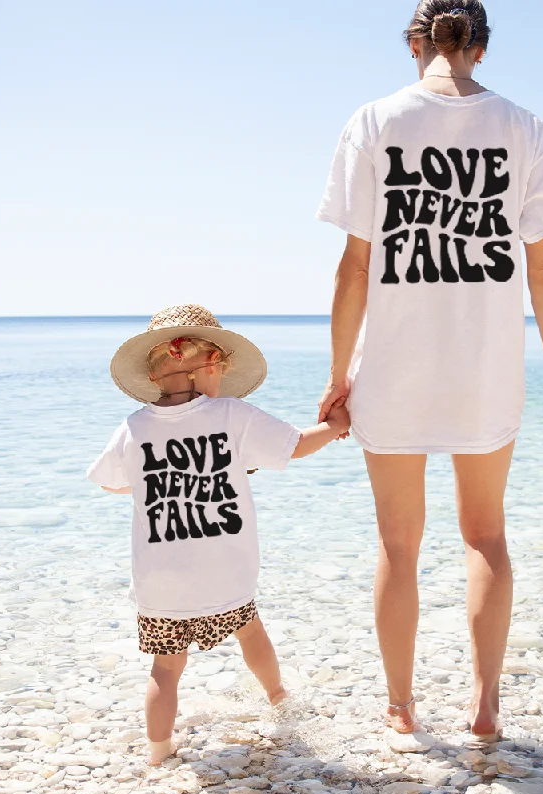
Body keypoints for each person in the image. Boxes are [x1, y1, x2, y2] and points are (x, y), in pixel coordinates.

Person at [316, 0, 543, 743]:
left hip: (393, 369)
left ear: (414, 43)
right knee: (485, 536)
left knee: (399, 545)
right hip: (484, 369)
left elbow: (354, 268)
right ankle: (486, 706)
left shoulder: (371, 122)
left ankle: (400, 707)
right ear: (480, 51)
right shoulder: (523, 128)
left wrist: (340, 374)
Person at [87, 304, 350, 765]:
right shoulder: (231, 414)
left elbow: (109, 480)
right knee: (251, 633)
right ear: (210, 365)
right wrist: (335, 426)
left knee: (165, 669)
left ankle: (158, 754)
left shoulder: (134, 427)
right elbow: (295, 445)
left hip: (160, 587)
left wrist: (156, 479)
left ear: (155, 376)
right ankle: (278, 698)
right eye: (222, 371)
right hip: (224, 577)